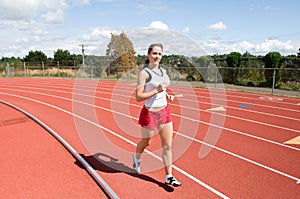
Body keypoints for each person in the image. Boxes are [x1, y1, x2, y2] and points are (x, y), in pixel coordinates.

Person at [133, 43, 181, 187]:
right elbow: (138, 97)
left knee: (167, 146)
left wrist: (167, 95)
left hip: (164, 111)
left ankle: (169, 176)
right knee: (146, 142)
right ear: (148, 55)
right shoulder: (144, 73)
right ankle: (136, 157)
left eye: (159, 54)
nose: (157, 56)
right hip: (150, 113)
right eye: (154, 53)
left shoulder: (163, 71)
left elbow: (163, 88)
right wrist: (156, 91)